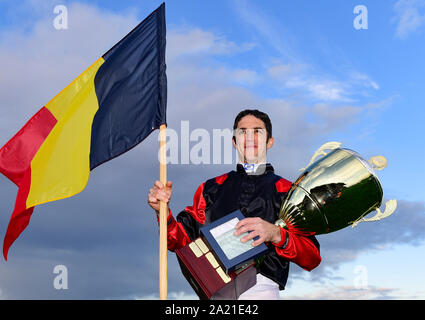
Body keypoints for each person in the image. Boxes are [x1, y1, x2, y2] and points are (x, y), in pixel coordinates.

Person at [148, 109, 321, 299]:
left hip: (261, 288)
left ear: (270, 141)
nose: (249, 137)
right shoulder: (211, 187)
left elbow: (312, 258)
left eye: (257, 131)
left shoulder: (288, 191)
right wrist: (162, 212)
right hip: (215, 289)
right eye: (242, 132)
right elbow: (178, 241)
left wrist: (276, 233)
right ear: (233, 141)